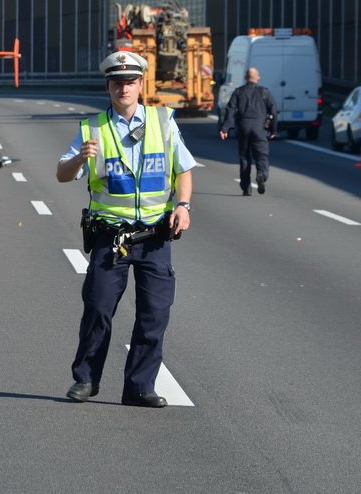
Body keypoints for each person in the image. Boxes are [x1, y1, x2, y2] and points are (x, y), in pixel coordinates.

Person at [56, 51, 196, 408]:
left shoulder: (164, 122)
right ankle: (85, 380)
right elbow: (62, 174)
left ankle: (139, 387)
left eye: (130, 82)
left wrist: (183, 205)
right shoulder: (93, 128)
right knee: (98, 309)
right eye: (117, 83)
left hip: (154, 237)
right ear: (108, 87)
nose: (124, 88)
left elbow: (183, 170)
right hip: (110, 237)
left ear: (140, 85)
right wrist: (78, 158)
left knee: (154, 314)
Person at [219, 67, 277, 196]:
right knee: (261, 155)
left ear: (245, 77)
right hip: (259, 128)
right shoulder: (264, 92)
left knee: (244, 158)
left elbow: (231, 110)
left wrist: (225, 128)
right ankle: (261, 174)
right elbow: (273, 110)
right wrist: (273, 129)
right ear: (258, 77)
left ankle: (246, 188)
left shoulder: (239, 92)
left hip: (244, 127)